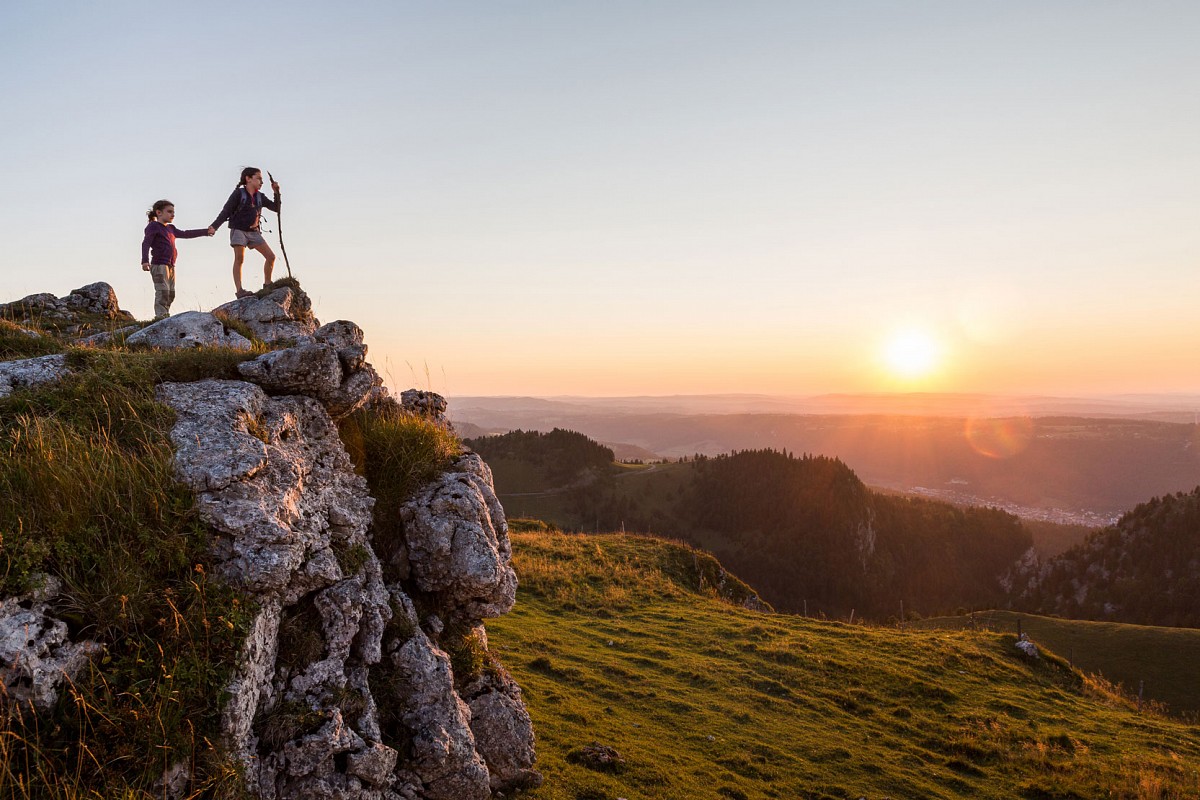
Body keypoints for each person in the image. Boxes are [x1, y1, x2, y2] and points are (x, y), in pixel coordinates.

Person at [208, 167, 280, 298]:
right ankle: (240, 290)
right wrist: (214, 226)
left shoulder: (259, 197)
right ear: (248, 179)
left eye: (261, 179)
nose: (261, 182)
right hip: (238, 230)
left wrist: (276, 192)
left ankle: (267, 284)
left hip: (254, 232)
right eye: (258, 178)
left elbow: (276, 208)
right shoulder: (238, 194)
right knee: (239, 258)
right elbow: (226, 211)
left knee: (271, 257)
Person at [140, 200, 213, 319]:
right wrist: (144, 260)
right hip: (159, 265)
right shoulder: (153, 226)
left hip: (170, 265)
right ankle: (160, 316)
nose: (172, 214)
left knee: (171, 293)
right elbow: (146, 243)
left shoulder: (171, 228)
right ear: (159, 212)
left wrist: (205, 231)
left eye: (173, 212)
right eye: (169, 212)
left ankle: (165, 314)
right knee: (162, 291)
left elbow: (186, 234)